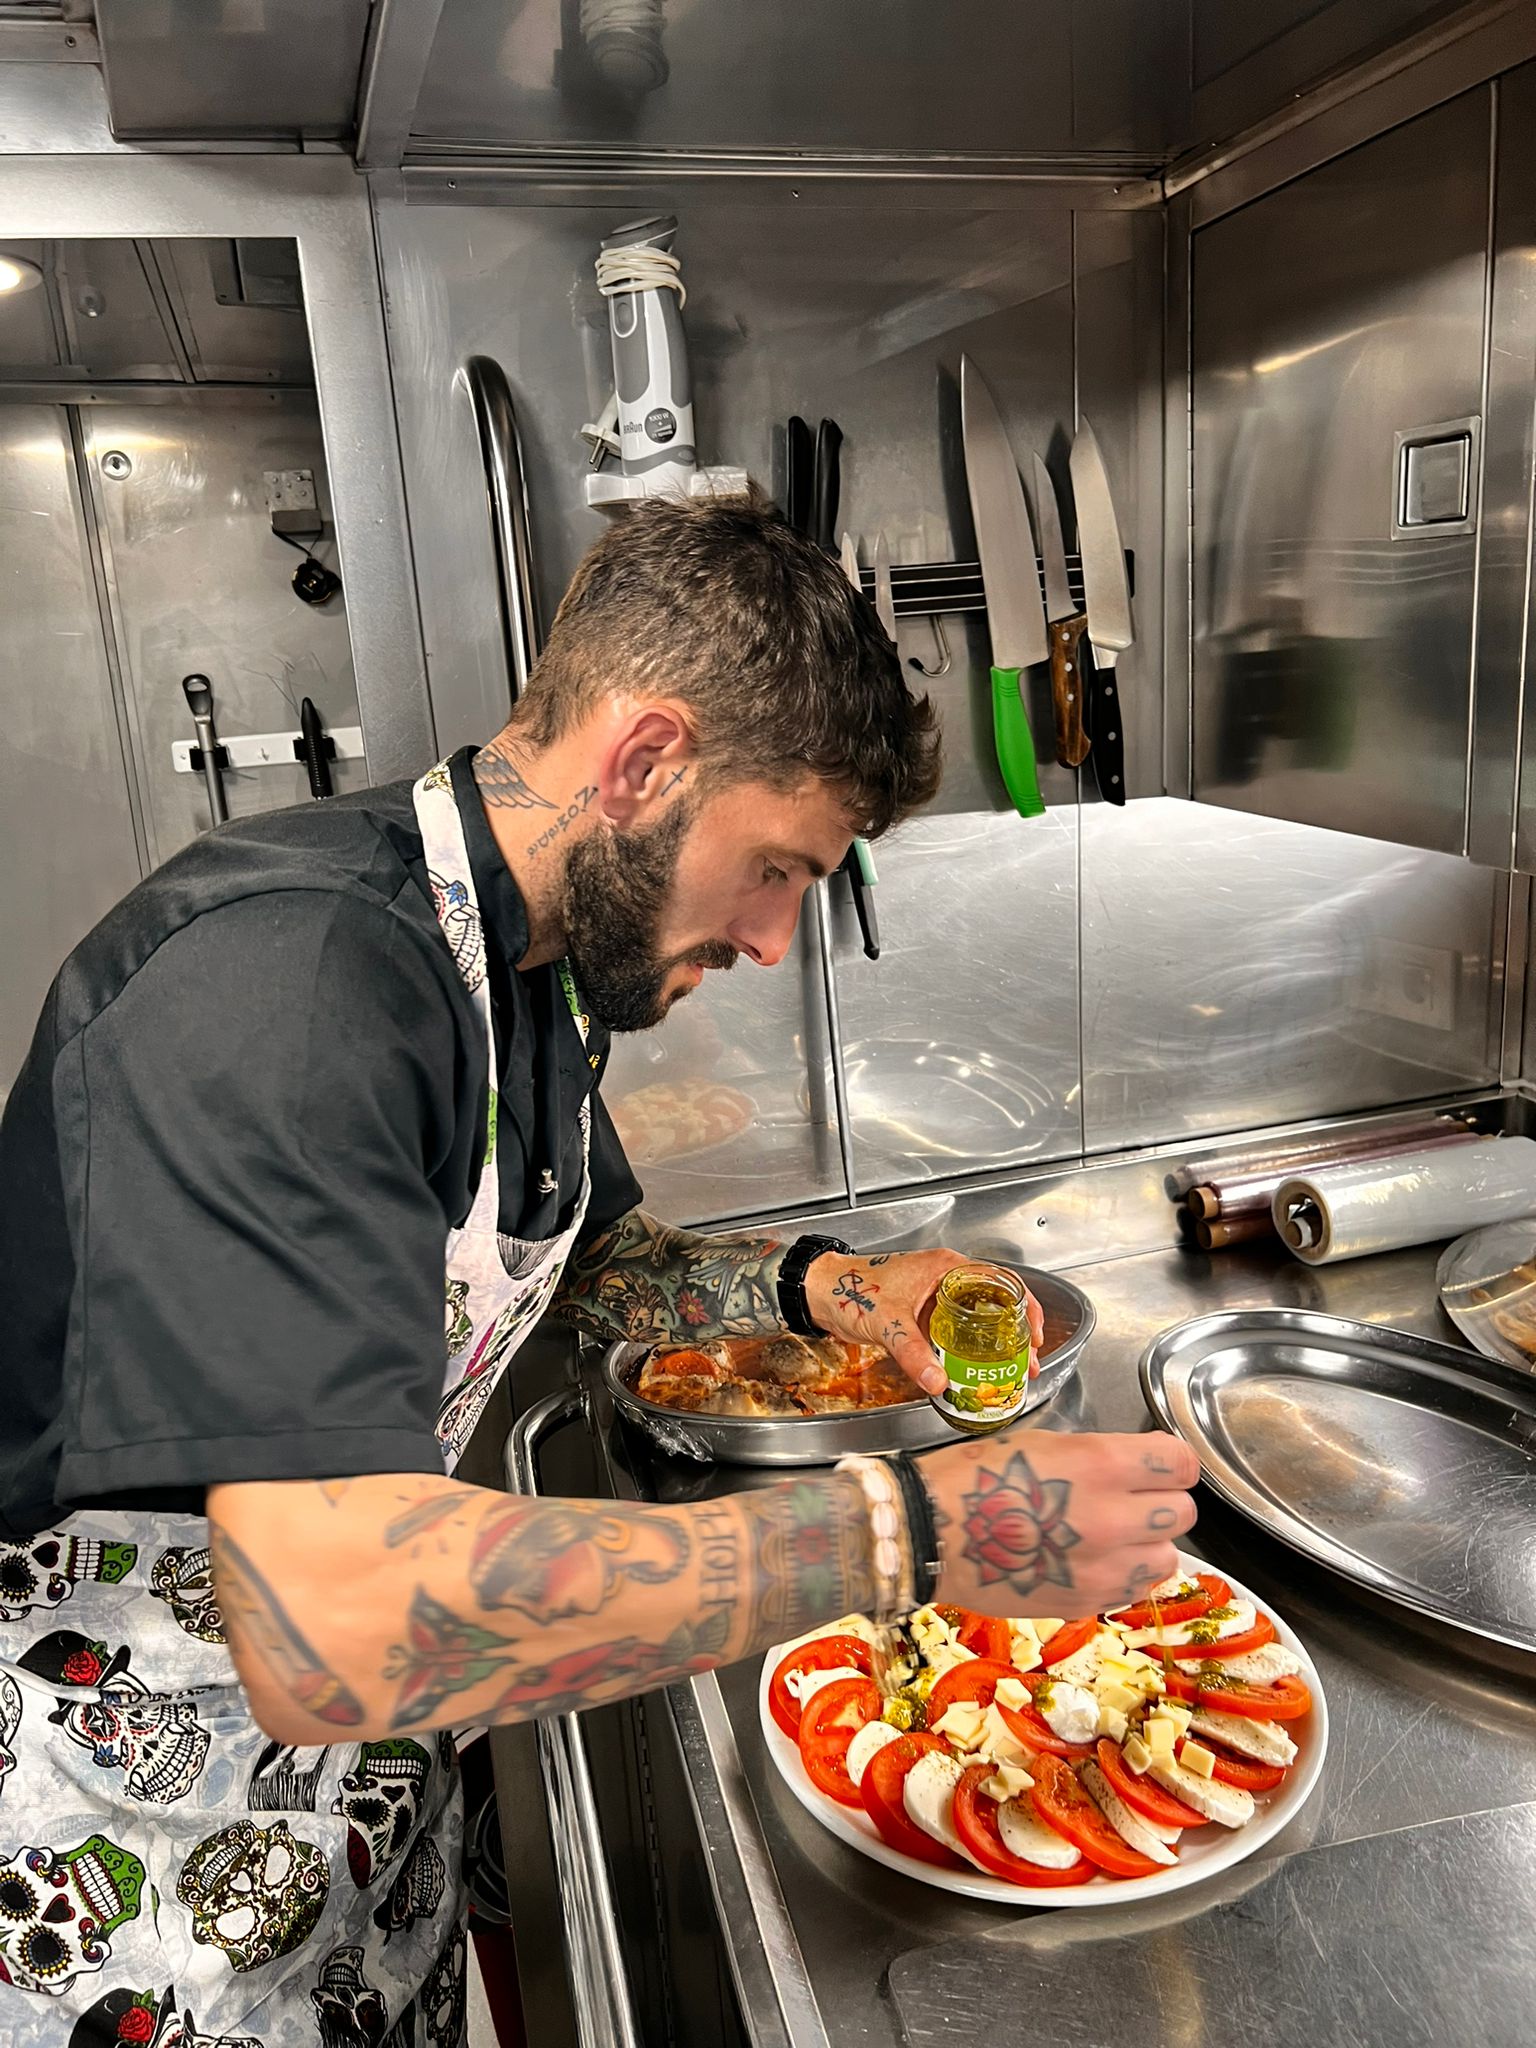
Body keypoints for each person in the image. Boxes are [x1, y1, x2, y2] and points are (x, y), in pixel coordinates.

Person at [0, 491, 1197, 2045]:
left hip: (353, 1830)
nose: (776, 941)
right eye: (775, 868)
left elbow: (591, 1264)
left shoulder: (523, 972)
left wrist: (833, 1290)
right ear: (643, 763)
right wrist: (902, 1533)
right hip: (105, 1881)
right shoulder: (290, 989)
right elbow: (328, 1629)